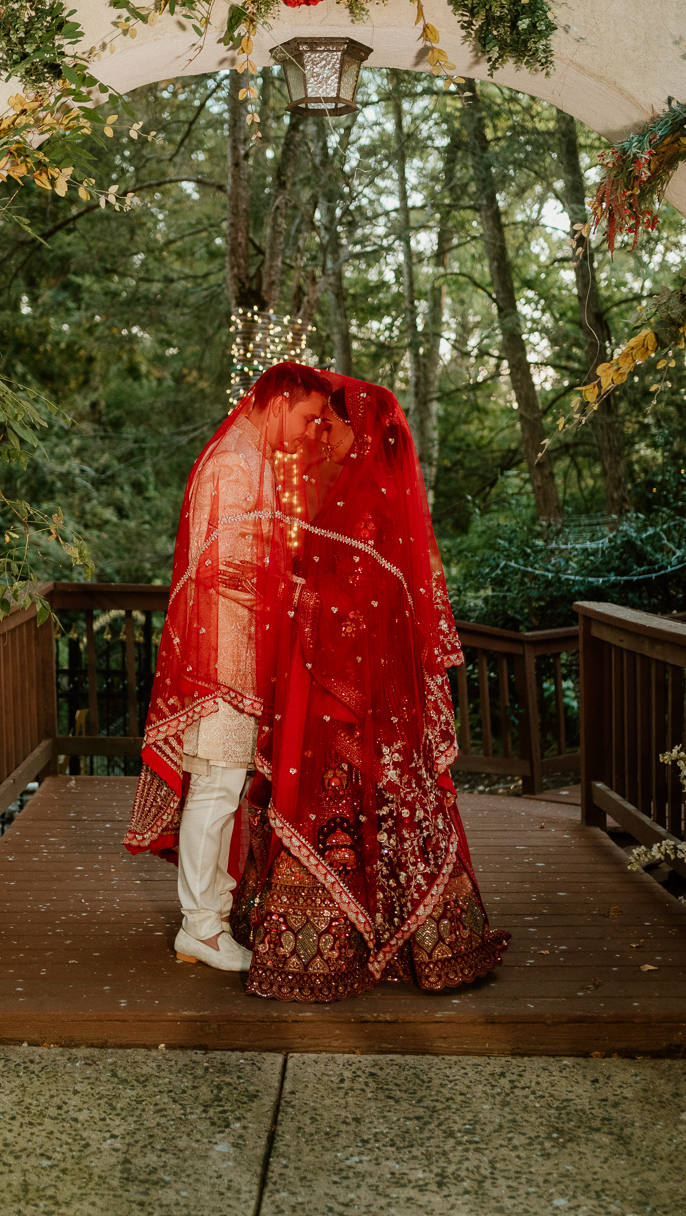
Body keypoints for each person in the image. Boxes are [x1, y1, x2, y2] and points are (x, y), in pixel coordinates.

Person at [230, 374, 510, 1000]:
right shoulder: (341, 493)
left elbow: (362, 602)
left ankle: (364, 943)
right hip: (341, 684)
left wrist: (288, 594)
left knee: (352, 797)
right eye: (320, 422)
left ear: (364, 432)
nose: (322, 433)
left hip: (353, 692)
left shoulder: (369, 502)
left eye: (332, 423)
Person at [123, 362, 330, 971]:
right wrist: (300, 594)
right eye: (308, 417)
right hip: (221, 656)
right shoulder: (232, 464)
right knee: (214, 788)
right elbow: (221, 570)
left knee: (225, 787)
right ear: (280, 402)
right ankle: (201, 928)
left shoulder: (254, 459)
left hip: (240, 650)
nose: (310, 431)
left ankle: (213, 913)